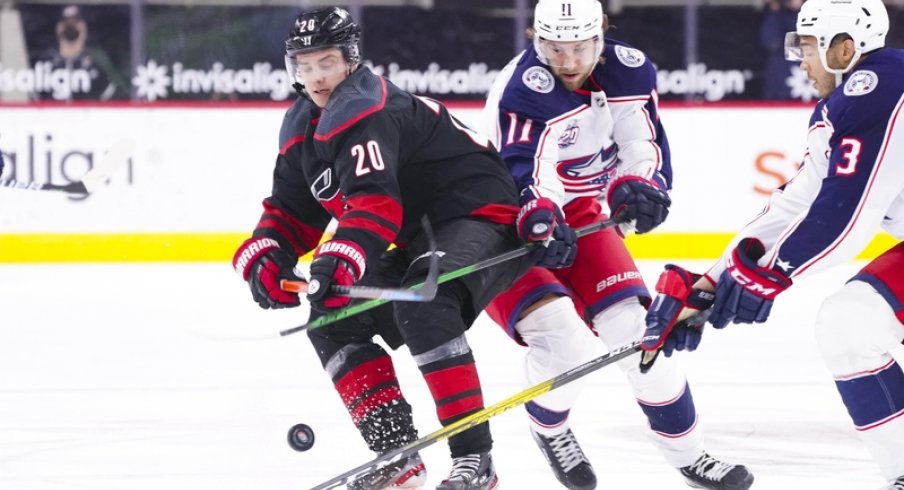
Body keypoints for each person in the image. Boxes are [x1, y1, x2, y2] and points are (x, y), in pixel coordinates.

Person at [232, 7, 535, 490]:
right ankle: (399, 455)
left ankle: (476, 458)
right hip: (422, 235)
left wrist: (341, 255)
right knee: (330, 318)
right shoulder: (303, 125)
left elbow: (375, 203)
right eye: (303, 66)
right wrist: (268, 252)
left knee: (426, 298)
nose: (315, 77)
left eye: (326, 62)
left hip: (483, 214)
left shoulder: (369, 109)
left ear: (351, 60)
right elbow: (291, 210)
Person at [478, 0, 754, 489]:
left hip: (581, 212)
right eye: (553, 47)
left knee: (640, 338)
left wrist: (642, 184)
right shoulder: (524, 86)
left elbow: (641, 142)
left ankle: (690, 456)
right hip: (503, 221)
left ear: (601, 35)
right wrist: (540, 214)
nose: (566, 60)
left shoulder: (629, 69)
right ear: (534, 38)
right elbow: (524, 167)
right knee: (567, 346)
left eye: (579, 47)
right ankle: (551, 428)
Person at [641, 0, 904, 488]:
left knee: (851, 322)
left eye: (808, 47)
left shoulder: (880, 87)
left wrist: (771, 273)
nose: (800, 61)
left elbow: (849, 217)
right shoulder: (848, 103)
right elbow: (793, 206)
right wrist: (708, 283)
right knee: (851, 324)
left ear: (844, 48)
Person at [33, 5, 127, 101]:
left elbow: (114, 95)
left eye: (76, 22)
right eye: (67, 24)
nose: (72, 26)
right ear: (59, 27)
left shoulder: (97, 60)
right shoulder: (44, 63)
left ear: (84, 26)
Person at [759, 0, 803, 100]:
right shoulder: (776, 14)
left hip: (809, 79)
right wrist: (775, 8)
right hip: (781, 72)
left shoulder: (819, 12)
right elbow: (770, 42)